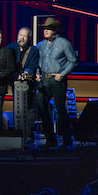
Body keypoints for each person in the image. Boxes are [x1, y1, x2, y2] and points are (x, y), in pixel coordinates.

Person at [36, 17, 77, 149]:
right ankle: (50, 139)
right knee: (41, 106)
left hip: (57, 79)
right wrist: (37, 72)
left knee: (60, 109)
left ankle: (67, 140)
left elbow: (73, 61)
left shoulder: (64, 43)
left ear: (55, 30)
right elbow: (37, 60)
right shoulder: (41, 45)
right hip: (44, 79)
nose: (46, 31)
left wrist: (62, 74)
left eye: (48, 29)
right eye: (45, 29)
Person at [6, 27, 40, 145]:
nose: (22, 38)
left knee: (29, 110)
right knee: (18, 109)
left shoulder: (34, 50)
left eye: (25, 36)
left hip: (28, 84)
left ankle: (29, 136)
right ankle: (17, 134)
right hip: (14, 83)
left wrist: (26, 73)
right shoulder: (10, 47)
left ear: (29, 38)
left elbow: (32, 65)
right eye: (21, 35)